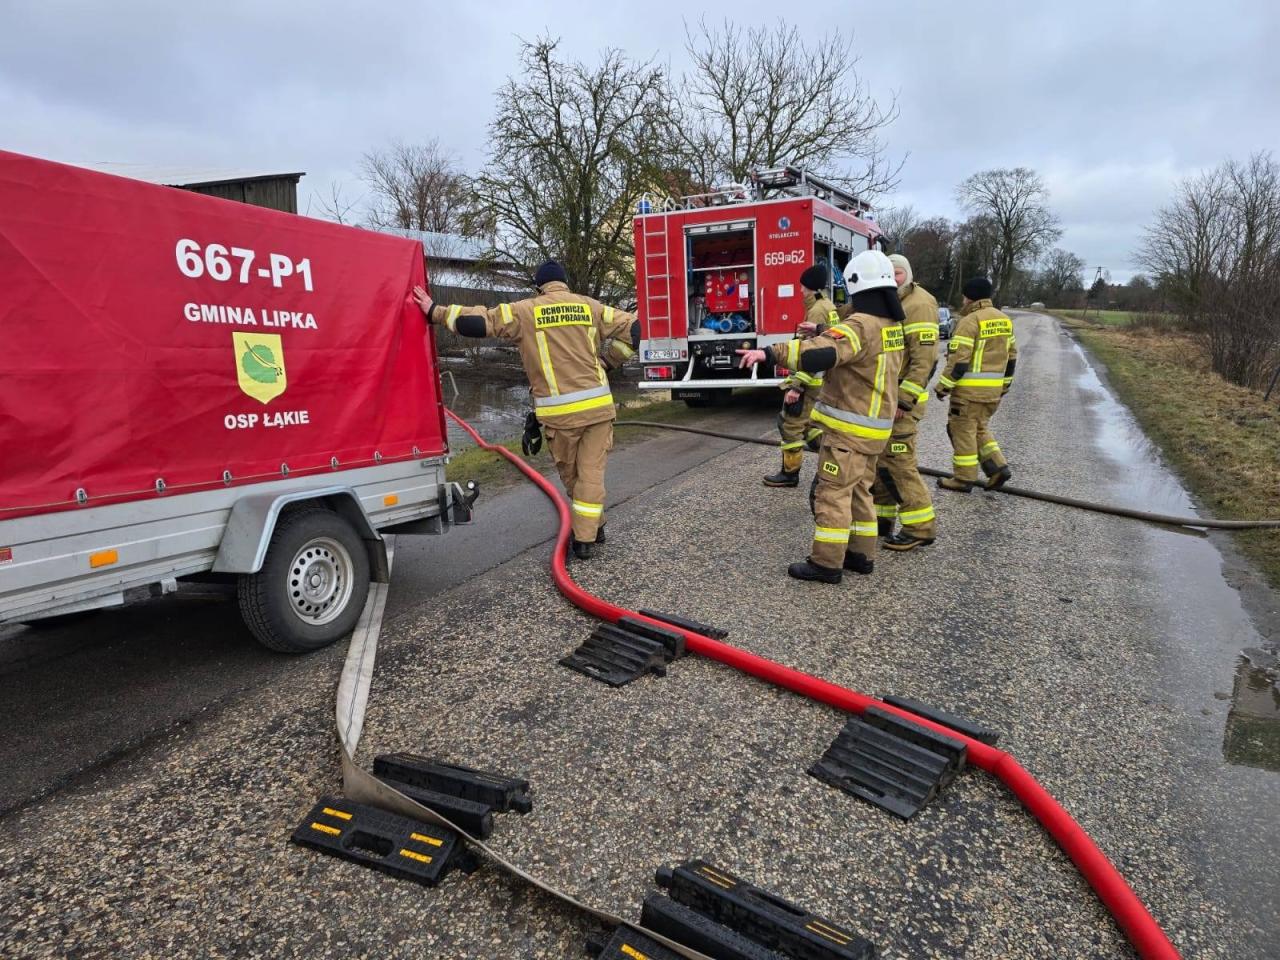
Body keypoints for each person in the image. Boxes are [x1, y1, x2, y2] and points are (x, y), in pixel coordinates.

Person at [413, 260, 639, 558]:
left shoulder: (525, 311)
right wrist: (609, 361)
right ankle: (593, 526)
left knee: (575, 478)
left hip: (559, 417)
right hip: (598, 410)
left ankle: (585, 539)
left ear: (539, 287)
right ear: (565, 284)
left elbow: (481, 322)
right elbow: (635, 328)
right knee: (591, 475)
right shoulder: (590, 307)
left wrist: (435, 312)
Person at [737, 249, 905, 583]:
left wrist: (770, 352)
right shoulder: (890, 325)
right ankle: (861, 554)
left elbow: (824, 351)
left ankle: (826, 562)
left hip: (849, 430)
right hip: (875, 431)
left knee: (833, 493)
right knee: (860, 493)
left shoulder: (860, 324)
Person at [874, 254, 940, 551]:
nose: (893, 277)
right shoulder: (890, 300)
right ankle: (882, 519)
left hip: (902, 404)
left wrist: (904, 400)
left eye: (897, 273)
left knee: (900, 464)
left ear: (908, 274)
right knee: (881, 462)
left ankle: (920, 527)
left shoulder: (919, 304)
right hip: (886, 401)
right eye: (888, 272)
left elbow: (924, 361)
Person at [934, 276, 1017, 491]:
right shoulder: (1004, 320)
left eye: (964, 297)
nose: (962, 301)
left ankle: (963, 478)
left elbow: (959, 362)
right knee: (980, 429)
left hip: (969, 394)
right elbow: (1012, 359)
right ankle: (998, 468)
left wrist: (943, 386)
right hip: (992, 393)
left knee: (962, 431)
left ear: (969, 298)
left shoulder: (970, 321)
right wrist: (1004, 387)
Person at [763, 263, 840, 488]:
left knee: (790, 423)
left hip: (809, 380)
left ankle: (790, 474)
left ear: (809, 287)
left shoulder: (816, 310)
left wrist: (797, 386)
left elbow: (811, 351)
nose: (799, 291)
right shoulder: (828, 305)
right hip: (821, 379)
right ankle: (832, 453)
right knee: (808, 426)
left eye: (801, 287)